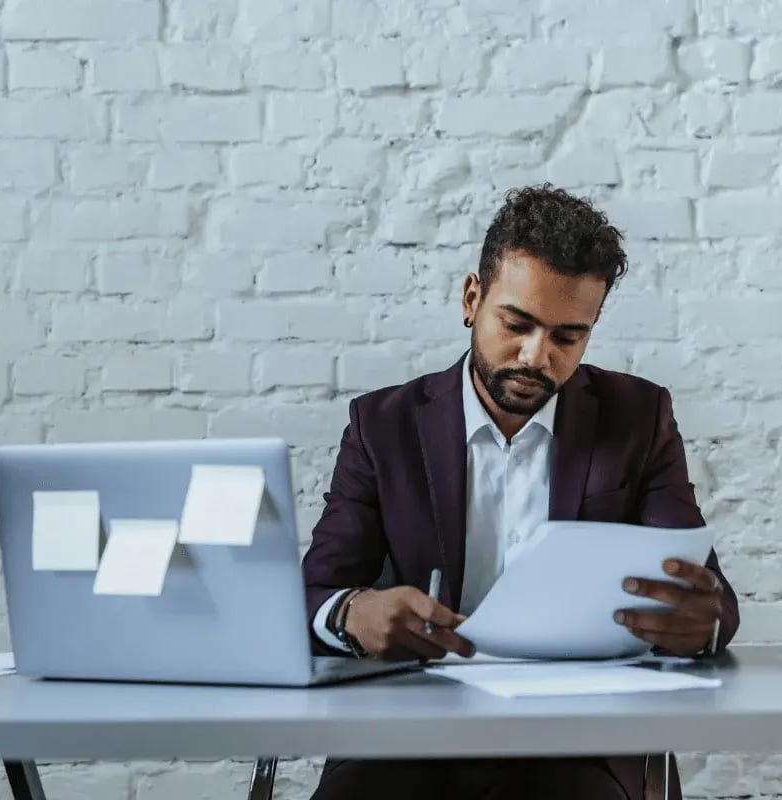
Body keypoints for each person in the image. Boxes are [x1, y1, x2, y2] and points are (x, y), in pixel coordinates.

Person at [302, 184, 740, 800]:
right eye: (518, 324)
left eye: (568, 337)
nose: (537, 357)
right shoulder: (384, 426)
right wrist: (353, 613)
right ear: (472, 298)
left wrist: (704, 623)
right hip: (406, 735)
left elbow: (710, 599)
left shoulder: (640, 418)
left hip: (573, 746)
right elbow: (312, 594)